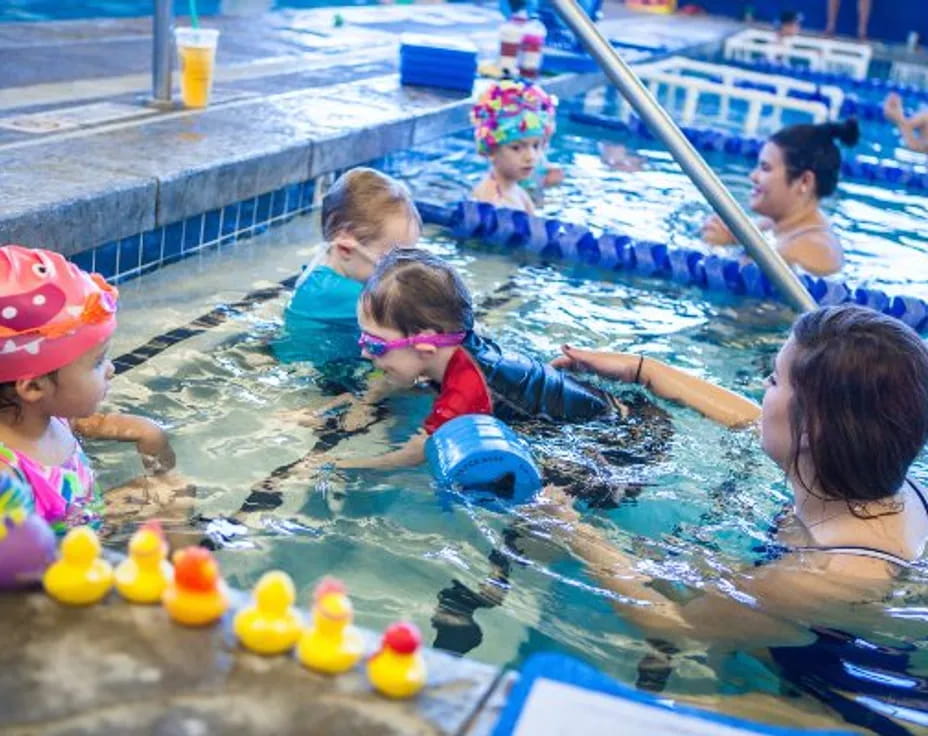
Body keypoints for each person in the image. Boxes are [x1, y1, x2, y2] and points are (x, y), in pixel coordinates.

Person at [542, 303, 928, 734]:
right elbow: (754, 420)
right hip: (835, 651)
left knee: (631, 717)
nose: (763, 384)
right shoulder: (883, 481)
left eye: (775, 378)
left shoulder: (827, 572)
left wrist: (567, 526)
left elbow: (671, 622)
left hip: (857, 714)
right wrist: (644, 370)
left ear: (810, 431)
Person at [338, 248, 665, 470]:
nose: (364, 351)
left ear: (425, 347)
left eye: (376, 345)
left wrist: (352, 466)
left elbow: (418, 452)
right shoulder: (460, 348)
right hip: (622, 410)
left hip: (620, 443)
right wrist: (367, 400)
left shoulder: (468, 387)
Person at [0, 245, 178, 533]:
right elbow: (21, 565)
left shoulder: (55, 415)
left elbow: (101, 424)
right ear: (33, 386)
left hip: (86, 520)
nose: (111, 368)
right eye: (97, 362)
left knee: (173, 490)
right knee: (172, 495)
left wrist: (148, 433)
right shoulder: (8, 476)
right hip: (66, 559)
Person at [272, 168, 421, 371]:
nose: (400, 271)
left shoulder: (328, 262)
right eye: (391, 261)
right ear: (345, 247)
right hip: (315, 381)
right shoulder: (338, 293)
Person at [702, 119, 859, 276]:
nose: (753, 176)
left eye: (765, 168)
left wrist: (718, 247)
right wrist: (725, 236)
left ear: (804, 181)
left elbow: (739, 281)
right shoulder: (775, 225)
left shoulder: (811, 247)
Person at [470, 79, 557, 214]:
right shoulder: (490, 199)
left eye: (536, 146)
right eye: (516, 148)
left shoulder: (519, 193)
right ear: (491, 151)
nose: (530, 157)